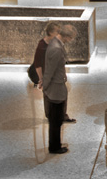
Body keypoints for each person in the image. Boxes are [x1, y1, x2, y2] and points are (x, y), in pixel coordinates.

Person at [42, 23, 76, 154]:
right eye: (71, 38)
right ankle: (54, 147)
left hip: (57, 85)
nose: (71, 41)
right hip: (55, 89)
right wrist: (45, 87)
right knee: (55, 121)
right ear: (67, 37)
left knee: (57, 118)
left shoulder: (56, 43)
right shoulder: (56, 48)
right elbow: (50, 71)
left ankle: (56, 144)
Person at [32, 23, 76, 123]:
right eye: (57, 31)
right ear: (51, 32)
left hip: (54, 74)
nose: (59, 33)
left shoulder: (55, 44)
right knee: (49, 95)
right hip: (47, 73)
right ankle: (52, 115)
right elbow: (38, 63)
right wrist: (41, 79)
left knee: (59, 95)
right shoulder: (43, 45)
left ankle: (61, 115)